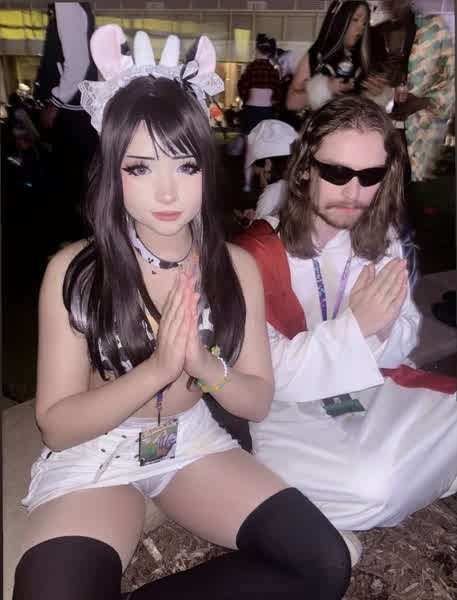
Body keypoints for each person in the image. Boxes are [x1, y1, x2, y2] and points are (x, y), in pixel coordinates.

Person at [12, 26, 353, 600]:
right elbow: (58, 425)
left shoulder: (235, 267)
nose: (168, 193)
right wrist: (158, 369)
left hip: (190, 443)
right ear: (112, 171)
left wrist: (202, 364)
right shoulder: (76, 270)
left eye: (186, 166)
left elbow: (256, 401)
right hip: (97, 451)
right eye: (141, 168)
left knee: (322, 563)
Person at [236, 95, 457, 547]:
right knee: (373, 488)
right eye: (337, 173)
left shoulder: (381, 238)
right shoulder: (254, 253)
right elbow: (262, 375)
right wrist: (356, 328)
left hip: (365, 387)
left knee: (387, 473)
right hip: (285, 411)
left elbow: (404, 338)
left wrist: (382, 330)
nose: (354, 192)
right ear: (305, 169)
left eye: (370, 176)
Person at [34, 2, 99, 244]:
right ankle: (83, 244)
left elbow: (78, 63)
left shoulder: (67, 5)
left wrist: (55, 102)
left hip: (70, 112)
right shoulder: (74, 6)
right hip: (76, 111)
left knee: (70, 185)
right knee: (79, 184)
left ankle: (75, 247)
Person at [370, 0, 455, 182]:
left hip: (420, 140)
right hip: (380, 132)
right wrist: (384, 78)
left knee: (414, 191)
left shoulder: (435, 29)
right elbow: (369, 82)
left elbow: (449, 84)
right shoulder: (376, 33)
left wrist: (420, 102)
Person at [286, 1, 384, 114]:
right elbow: (291, 102)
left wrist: (375, 94)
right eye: (355, 20)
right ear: (339, 20)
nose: (361, 28)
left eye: (364, 23)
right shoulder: (317, 55)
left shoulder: (363, 60)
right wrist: (326, 88)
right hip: (320, 123)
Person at [237, 33, 281, 192]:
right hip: (267, 113)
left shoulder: (251, 68)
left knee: (249, 151)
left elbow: (242, 88)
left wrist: (246, 97)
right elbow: (278, 95)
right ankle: (265, 182)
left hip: (251, 112)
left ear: (257, 50)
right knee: (266, 150)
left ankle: (247, 185)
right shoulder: (273, 71)